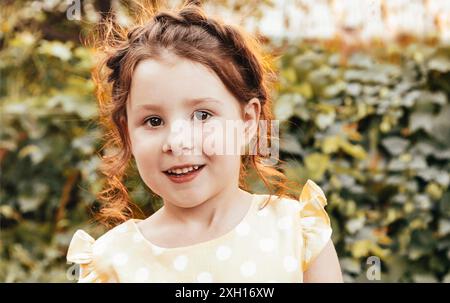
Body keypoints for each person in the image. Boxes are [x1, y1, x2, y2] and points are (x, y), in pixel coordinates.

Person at [66, 0, 342, 283]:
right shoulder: (110, 263)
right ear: (127, 134)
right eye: (154, 121)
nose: (177, 141)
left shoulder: (296, 234)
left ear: (247, 121)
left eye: (202, 115)